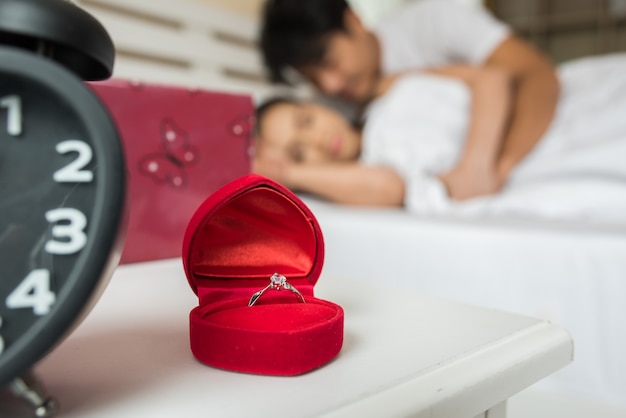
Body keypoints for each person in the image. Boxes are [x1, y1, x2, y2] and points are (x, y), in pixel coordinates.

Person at [254, 53, 626, 221]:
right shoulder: (373, 168)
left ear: (317, 104)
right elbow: (389, 187)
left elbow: (491, 78)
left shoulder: (391, 87)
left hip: (561, 108)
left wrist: (479, 162)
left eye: (306, 121)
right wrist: (290, 174)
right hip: (550, 153)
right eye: (299, 154)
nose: (317, 140)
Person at [258, 0, 560, 201]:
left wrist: (493, 166)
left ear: (354, 22)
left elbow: (533, 75)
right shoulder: (329, 107)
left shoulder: (434, 20)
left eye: (329, 60)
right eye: (311, 78)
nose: (330, 85)